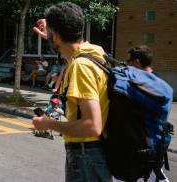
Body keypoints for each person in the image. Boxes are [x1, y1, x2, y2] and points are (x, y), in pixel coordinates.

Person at [31, 2, 111, 182]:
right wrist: (51, 36)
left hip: (86, 157)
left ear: (57, 35)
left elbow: (92, 125)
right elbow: (71, 53)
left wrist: (48, 124)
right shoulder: (96, 53)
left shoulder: (81, 66)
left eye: (51, 33)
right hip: (96, 154)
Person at [119, 45, 170, 182]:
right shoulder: (161, 84)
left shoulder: (139, 86)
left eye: (127, 61)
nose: (126, 65)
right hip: (153, 147)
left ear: (136, 62)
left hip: (141, 148)